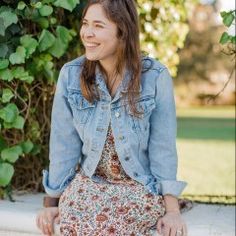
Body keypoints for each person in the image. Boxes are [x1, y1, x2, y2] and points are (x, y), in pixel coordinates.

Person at [36, 0, 188, 235]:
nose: (87, 33)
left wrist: (172, 211)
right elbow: (63, 145)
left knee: (106, 227)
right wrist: (51, 203)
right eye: (86, 23)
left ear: (122, 31)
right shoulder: (70, 75)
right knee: (73, 225)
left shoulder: (155, 77)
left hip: (137, 189)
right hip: (88, 186)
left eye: (98, 25)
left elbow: (163, 148)